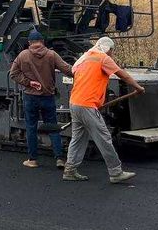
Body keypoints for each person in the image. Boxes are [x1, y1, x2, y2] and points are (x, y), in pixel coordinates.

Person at [62, 37, 143, 184]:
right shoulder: (103, 58)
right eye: (111, 50)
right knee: (104, 137)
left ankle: (70, 170)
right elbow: (122, 74)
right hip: (87, 105)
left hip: (75, 103)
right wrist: (138, 87)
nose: (112, 53)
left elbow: (77, 73)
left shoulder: (84, 58)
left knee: (78, 138)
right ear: (107, 48)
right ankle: (116, 172)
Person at [9, 29, 72, 169]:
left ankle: (33, 160)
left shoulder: (23, 55)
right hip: (48, 96)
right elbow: (68, 70)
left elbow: (13, 74)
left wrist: (29, 82)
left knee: (31, 127)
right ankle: (59, 158)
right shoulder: (51, 54)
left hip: (30, 97)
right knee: (53, 126)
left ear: (29, 42)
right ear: (42, 42)